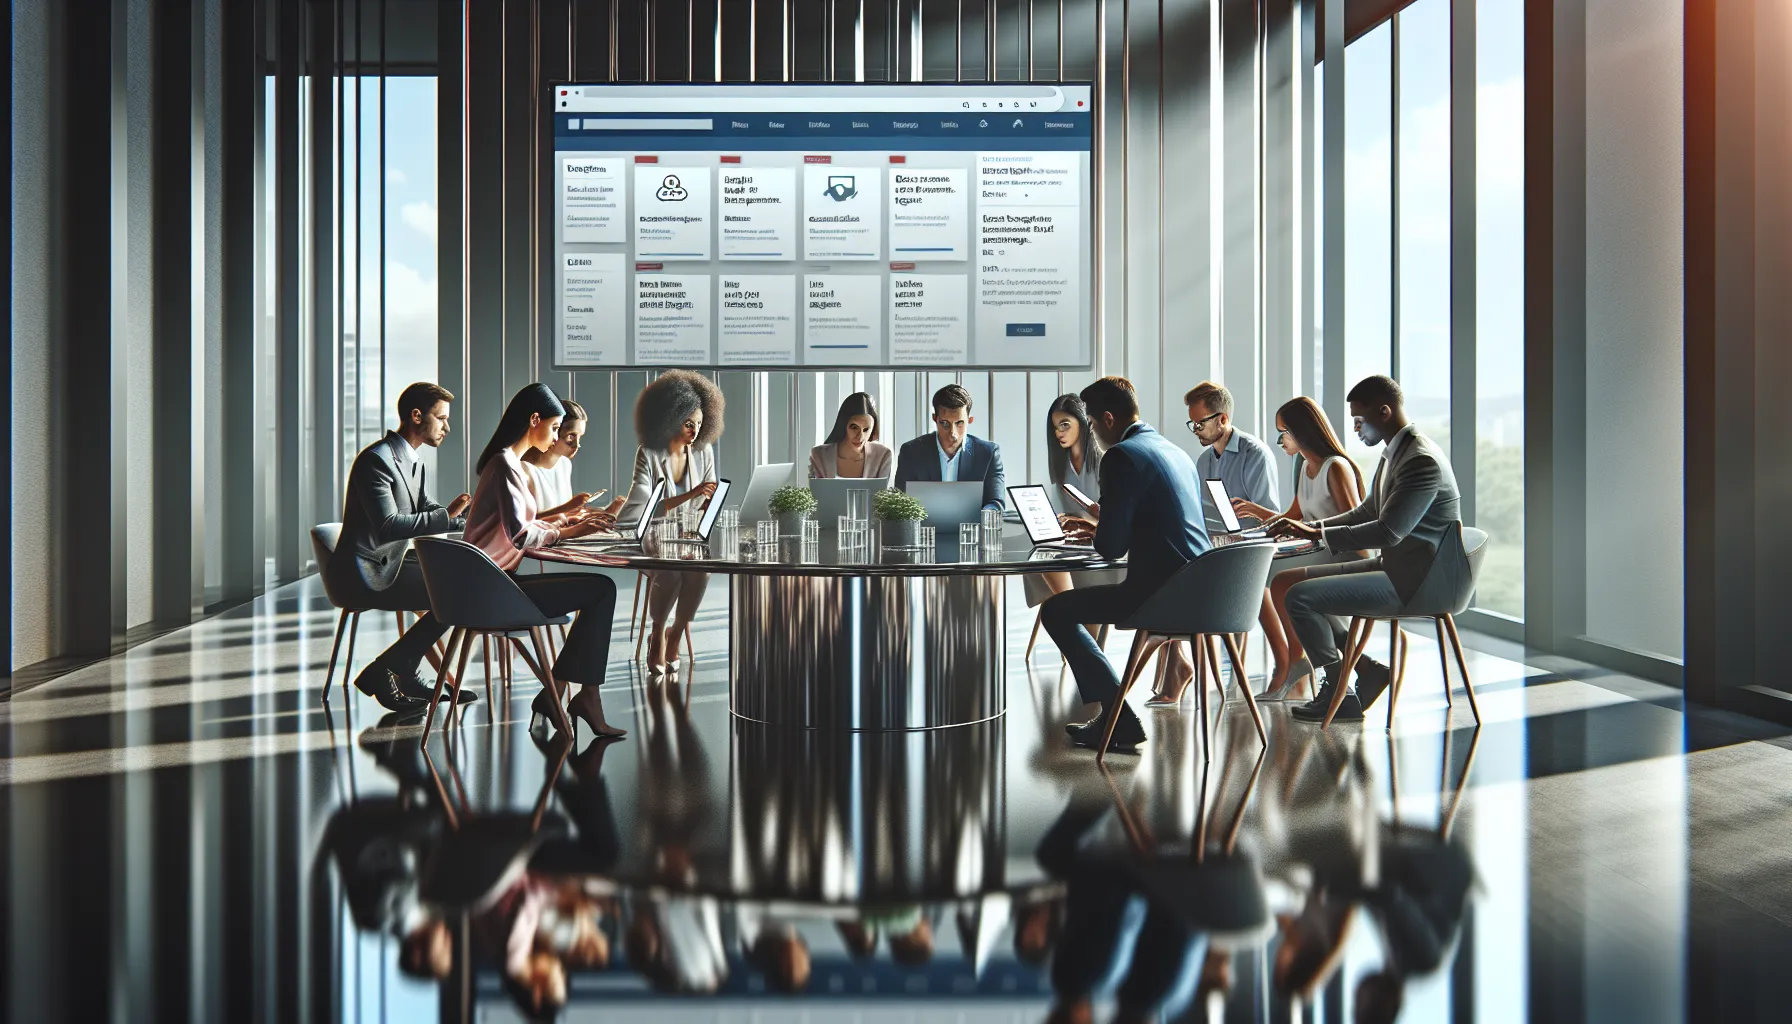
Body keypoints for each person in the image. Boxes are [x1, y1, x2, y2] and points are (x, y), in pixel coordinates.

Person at [1267, 375, 1466, 722]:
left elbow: (1388, 531)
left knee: (1299, 597)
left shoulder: (1420, 460)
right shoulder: (1396, 455)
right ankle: (1365, 671)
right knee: (1295, 585)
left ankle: (1339, 692)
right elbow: (1367, 511)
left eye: (1359, 420)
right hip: (1399, 568)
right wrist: (1314, 530)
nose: (1355, 429)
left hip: (1417, 581)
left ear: (1384, 412)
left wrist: (1319, 535)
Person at [1043, 377, 1210, 754]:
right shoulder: (1173, 450)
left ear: (1107, 419)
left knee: (1056, 610)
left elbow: (1111, 548)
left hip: (1163, 596)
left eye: (1090, 423)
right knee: (1068, 607)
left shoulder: (1121, 456)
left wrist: (1102, 528)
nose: (1091, 432)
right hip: (1205, 591)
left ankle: (1117, 717)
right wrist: (1106, 522)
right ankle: (1115, 716)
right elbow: (1160, 522)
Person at [463, 383, 628, 738]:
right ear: (534, 420)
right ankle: (573, 695)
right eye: (555, 428)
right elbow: (521, 535)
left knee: (601, 590)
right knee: (602, 590)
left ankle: (565, 694)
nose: (555, 438)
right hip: (492, 591)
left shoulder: (504, 463)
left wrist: (565, 522)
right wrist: (571, 531)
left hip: (491, 583)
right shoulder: (506, 465)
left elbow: (523, 525)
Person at [333, 381, 474, 711]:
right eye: (442, 418)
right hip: (363, 573)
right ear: (416, 416)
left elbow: (428, 509)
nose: (447, 427)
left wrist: (467, 521)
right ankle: (389, 669)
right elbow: (388, 526)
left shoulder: (412, 460)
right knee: (458, 593)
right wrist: (447, 517)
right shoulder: (377, 461)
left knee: (464, 582)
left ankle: (403, 671)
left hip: (388, 564)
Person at [1224, 397, 1366, 701]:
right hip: (1319, 552)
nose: (1280, 441)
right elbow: (1293, 516)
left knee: (1276, 577)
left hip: (1344, 555)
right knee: (1264, 573)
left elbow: (1354, 525)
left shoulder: (1335, 467)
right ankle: (1299, 659)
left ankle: (1296, 660)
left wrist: (1308, 532)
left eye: (1283, 433)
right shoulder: (1305, 467)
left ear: (1302, 431)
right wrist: (1257, 513)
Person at [620, 370, 725, 674]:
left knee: (701, 571)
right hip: (654, 536)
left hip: (688, 536)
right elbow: (645, 507)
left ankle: (675, 633)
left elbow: (707, 496)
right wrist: (692, 494)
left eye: (700, 424)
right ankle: (657, 635)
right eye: (688, 423)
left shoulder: (703, 452)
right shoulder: (649, 454)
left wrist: (710, 502)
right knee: (672, 572)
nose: (695, 431)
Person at [1023, 394, 1120, 634]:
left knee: (1060, 568)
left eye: (1065, 425)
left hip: (1104, 548)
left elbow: (1115, 518)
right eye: (1055, 427)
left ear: (1084, 422)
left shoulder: (1106, 461)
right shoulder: (1060, 465)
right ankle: (1074, 619)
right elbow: (1060, 510)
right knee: (1041, 559)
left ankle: (1074, 623)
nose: (1059, 433)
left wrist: (1085, 521)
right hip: (1073, 545)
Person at [892, 383, 1008, 511]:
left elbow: (996, 502)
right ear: (935, 419)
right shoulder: (911, 452)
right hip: (923, 524)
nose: (953, 434)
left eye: (959, 423)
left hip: (973, 524)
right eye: (945, 423)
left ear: (970, 420)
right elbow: (900, 501)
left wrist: (983, 515)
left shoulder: (988, 454)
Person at [1185, 380, 1281, 527]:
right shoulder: (1203, 461)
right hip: (1216, 540)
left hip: (1253, 541)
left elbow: (1271, 520)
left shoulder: (1255, 455)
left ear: (1223, 420)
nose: (1195, 430)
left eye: (1200, 424)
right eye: (1192, 424)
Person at [522, 398, 625, 521]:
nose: (577, 445)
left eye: (579, 437)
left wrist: (601, 513)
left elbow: (565, 516)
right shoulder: (525, 470)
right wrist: (569, 506)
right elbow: (524, 524)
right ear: (554, 431)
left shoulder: (564, 464)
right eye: (571, 436)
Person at [808, 391, 894, 484]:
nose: (860, 436)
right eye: (854, 427)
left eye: (866, 429)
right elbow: (817, 491)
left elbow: (882, 492)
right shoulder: (819, 455)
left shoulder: (882, 455)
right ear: (843, 425)